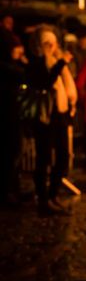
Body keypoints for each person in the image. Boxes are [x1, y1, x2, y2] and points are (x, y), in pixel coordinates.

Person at [26, 26, 77, 216]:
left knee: (63, 156)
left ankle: (54, 194)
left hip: (60, 114)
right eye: (45, 43)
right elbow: (46, 81)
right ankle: (44, 199)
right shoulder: (37, 63)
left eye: (52, 42)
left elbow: (65, 83)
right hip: (45, 117)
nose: (50, 46)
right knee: (44, 158)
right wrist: (59, 63)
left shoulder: (57, 61)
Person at [0, 30, 25, 205]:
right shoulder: (5, 67)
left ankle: (13, 189)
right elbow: (25, 75)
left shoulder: (10, 65)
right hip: (6, 116)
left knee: (13, 152)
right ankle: (7, 192)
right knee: (8, 153)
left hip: (12, 114)